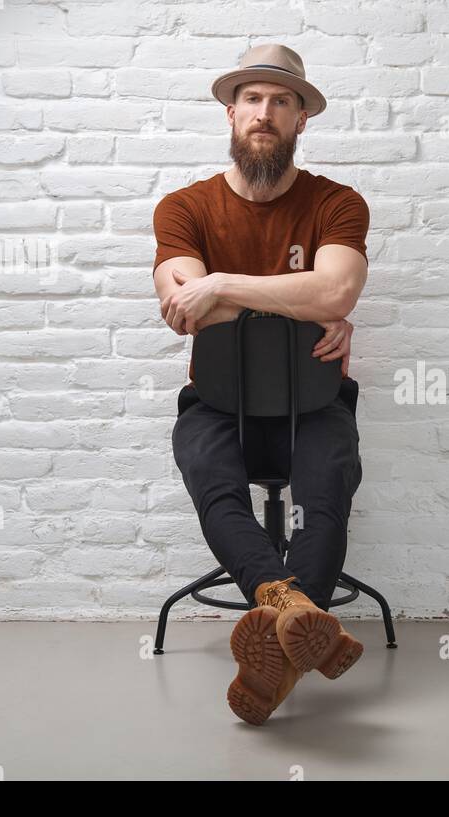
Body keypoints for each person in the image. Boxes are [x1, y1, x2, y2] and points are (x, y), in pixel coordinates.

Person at [151, 44, 370, 726]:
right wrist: (301, 306)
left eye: (282, 101)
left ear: (302, 118)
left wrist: (224, 286)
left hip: (315, 398)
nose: (264, 113)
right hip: (219, 400)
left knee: (328, 479)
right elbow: (185, 308)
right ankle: (295, 611)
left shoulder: (337, 203)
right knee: (210, 474)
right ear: (230, 112)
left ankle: (279, 636)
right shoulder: (184, 208)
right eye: (252, 99)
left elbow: (337, 287)